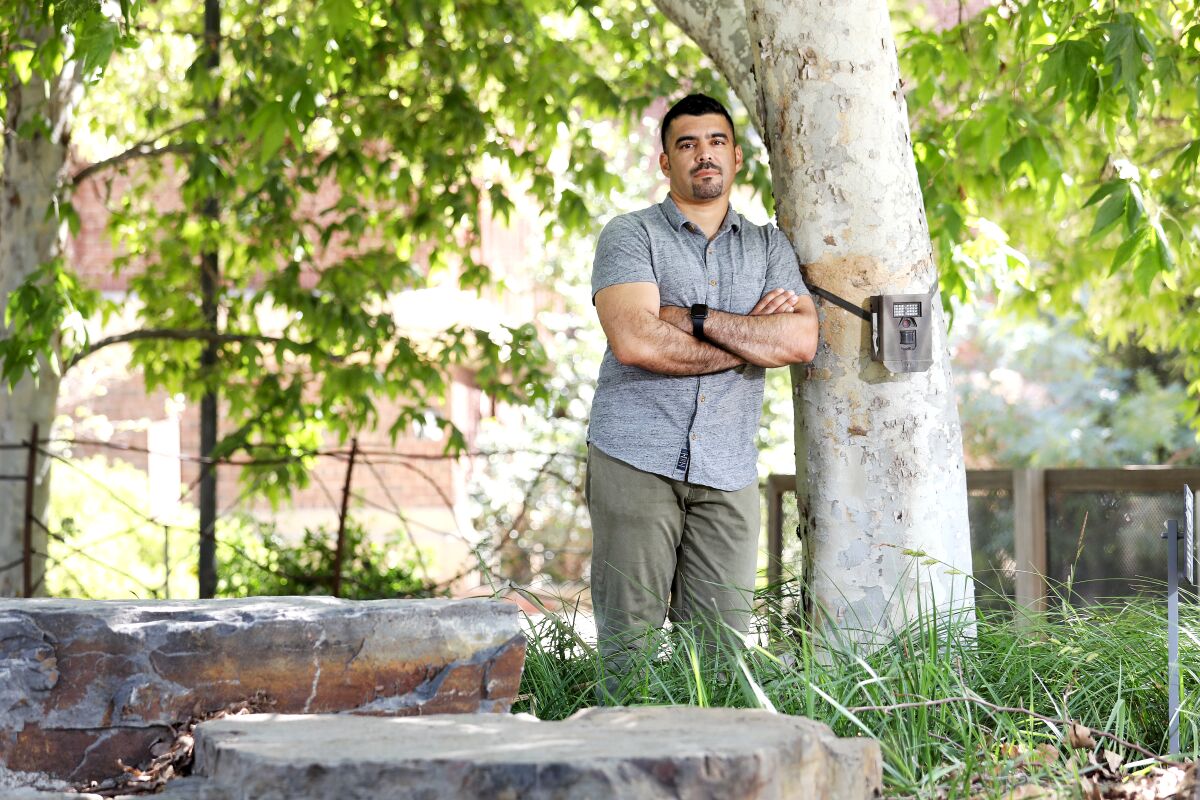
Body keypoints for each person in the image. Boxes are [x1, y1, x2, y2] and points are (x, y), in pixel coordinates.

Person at [587, 93, 819, 697]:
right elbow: (637, 342)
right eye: (686, 144)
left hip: (728, 468)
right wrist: (748, 334)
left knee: (721, 658)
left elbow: (798, 339)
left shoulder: (769, 247)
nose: (703, 155)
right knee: (628, 650)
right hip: (636, 457)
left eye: (715, 142)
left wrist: (691, 316)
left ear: (736, 157)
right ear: (665, 162)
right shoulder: (630, 235)